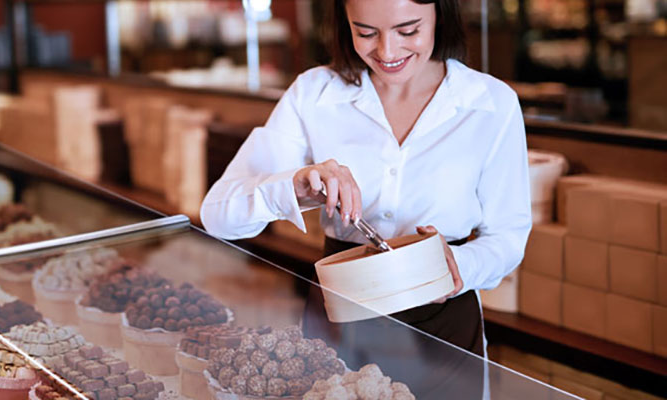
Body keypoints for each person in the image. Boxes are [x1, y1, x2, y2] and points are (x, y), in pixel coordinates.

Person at [201, 0, 531, 394]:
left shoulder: (491, 103)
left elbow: (509, 234)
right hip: (339, 320)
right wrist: (295, 185)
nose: (387, 52)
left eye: (408, 31)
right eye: (366, 32)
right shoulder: (314, 93)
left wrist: (458, 265)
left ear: (441, 15)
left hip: (443, 320)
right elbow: (217, 215)